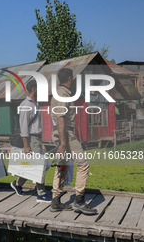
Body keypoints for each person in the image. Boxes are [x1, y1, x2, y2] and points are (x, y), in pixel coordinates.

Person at [50, 68, 97, 214]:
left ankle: (56, 201)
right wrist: (64, 144)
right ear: (70, 79)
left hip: (58, 133)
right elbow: (61, 119)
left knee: (61, 166)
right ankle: (79, 201)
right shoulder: (63, 94)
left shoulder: (58, 93)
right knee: (83, 164)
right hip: (65, 134)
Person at [10, 80, 51, 202]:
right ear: (34, 89)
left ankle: (18, 183)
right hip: (31, 139)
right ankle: (41, 193)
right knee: (39, 166)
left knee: (44, 165)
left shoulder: (35, 103)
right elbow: (23, 127)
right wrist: (26, 145)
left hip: (37, 138)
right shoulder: (25, 105)